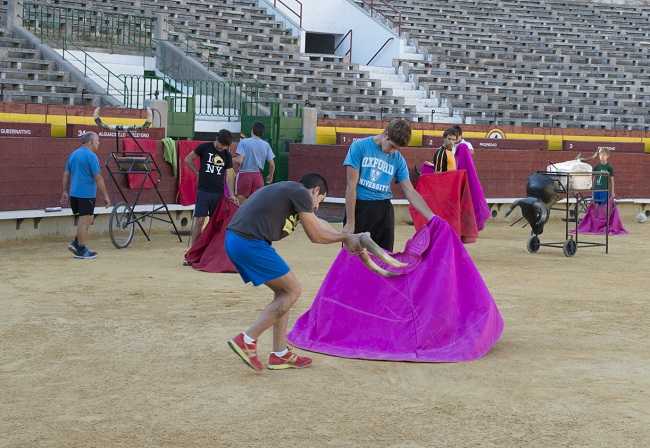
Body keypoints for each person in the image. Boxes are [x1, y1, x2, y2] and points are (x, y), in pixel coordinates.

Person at [225, 173, 363, 371]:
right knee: (292, 291)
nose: (316, 206)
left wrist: (346, 236)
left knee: (284, 293)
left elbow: (318, 223)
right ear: (315, 191)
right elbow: (315, 235)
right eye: (319, 201)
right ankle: (247, 339)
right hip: (248, 242)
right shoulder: (300, 192)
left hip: (242, 240)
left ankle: (280, 354)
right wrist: (345, 238)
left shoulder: (292, 192)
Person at [343, 119, 435, 251]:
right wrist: (351, 222)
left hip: (384, 211)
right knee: (354, 259)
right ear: (386, 134)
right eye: (392, 146)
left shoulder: (398, 159)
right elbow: (351, 186)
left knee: (383, 260)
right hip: (360, 208)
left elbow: (410, 191)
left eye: (397, 149)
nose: (393, 151)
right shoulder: (359, 147)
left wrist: (432, 217)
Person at [60, 132, 111, 259]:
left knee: (88, 219)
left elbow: (66, 174)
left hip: (74, 194)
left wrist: (64, 191)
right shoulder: (91, 156)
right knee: (84, 221)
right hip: (86, 194)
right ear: (90, 142)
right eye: (97, 141)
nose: (98, 143)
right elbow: (98, 178)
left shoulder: (73, 154)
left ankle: (76, 243)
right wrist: (106, 196)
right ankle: (81, 249)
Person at [184, 129, 238, 246]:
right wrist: (197, 172)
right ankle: (193, 250)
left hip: (218, 193)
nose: (222, 148)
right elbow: (188, 159)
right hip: (203, 191)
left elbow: (229, 175)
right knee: (199, 221)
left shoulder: (227, 155)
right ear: (217, 138)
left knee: (216, 222)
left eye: (225, 146)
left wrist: (232, 194)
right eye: (221, 145)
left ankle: (210, 251)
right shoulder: (204, 147)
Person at [235, 122, 275, 204]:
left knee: (241, 202)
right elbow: (272, 164)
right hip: (258, 176)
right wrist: (270, 176)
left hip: (244, 174)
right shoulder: (266, 145)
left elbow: (239, 161)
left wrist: (232, 162)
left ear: (252, 130)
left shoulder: (243, 142)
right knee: (256, 203)